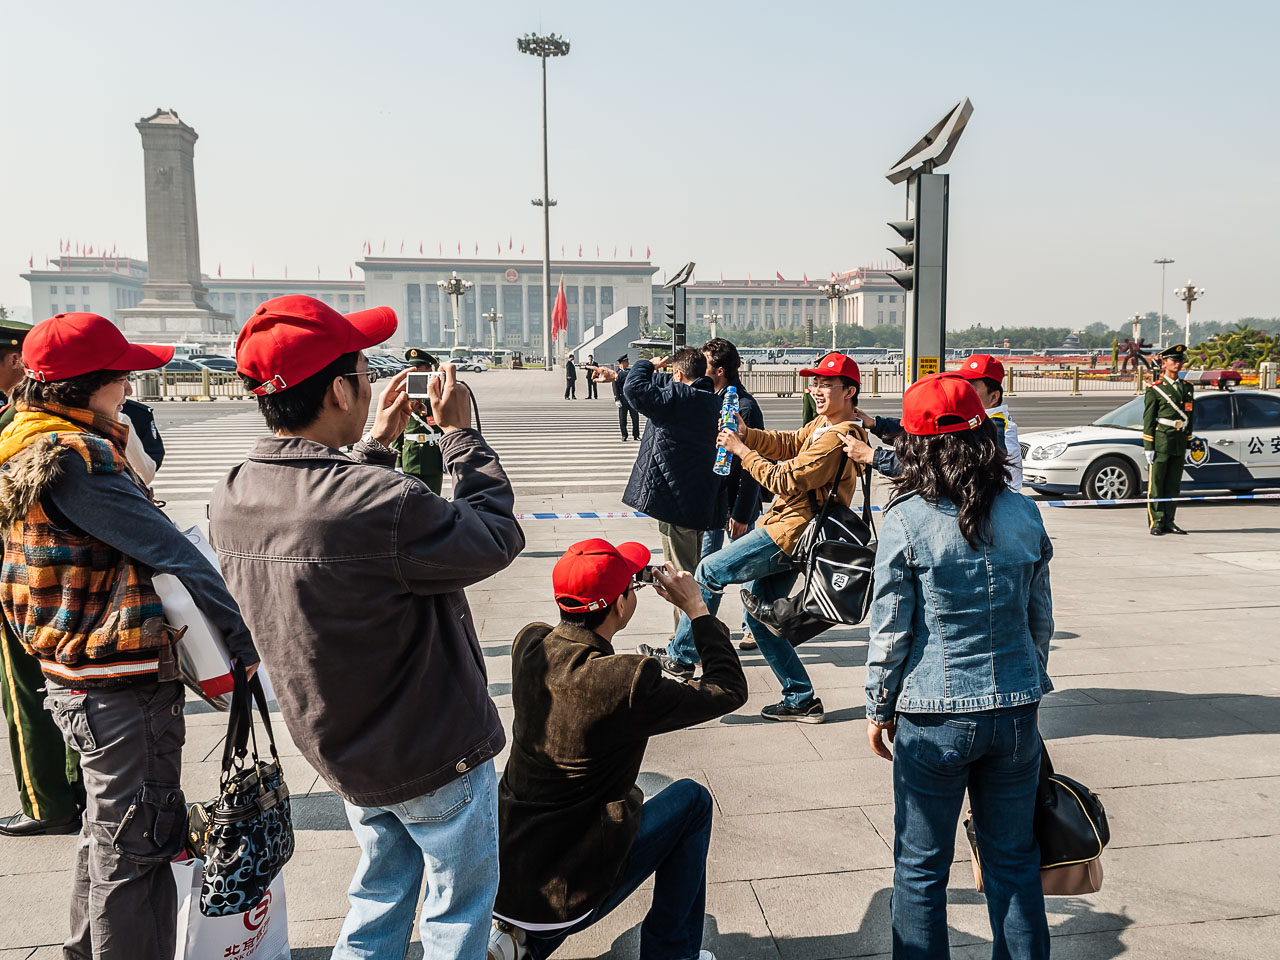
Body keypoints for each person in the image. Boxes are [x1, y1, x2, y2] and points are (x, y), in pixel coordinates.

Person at [210, 295, 524, 959]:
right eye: (363, 369)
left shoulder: (234, 492)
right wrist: (461, 436)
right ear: (338, 390)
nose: (372, 381)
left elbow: (341, 530)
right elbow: (494, 536)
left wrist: (374, 446)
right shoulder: (385, 503)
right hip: (435, 751)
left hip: (344, 750)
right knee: (457, 914)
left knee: (379, 895)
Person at [0, 312, 259, 959]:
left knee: (105, 833)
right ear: (91, 384)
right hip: (117, 683)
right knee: (139, 849)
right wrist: (239, 642)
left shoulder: (20, 437)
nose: (130, 384)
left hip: (70, 674)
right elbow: (170, 549)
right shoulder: (76, 455)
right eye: (122, 375)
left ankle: (84, 952)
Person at [858, 372, 1053, 960]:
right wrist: (1025, 681)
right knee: (1014, 861)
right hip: (1017, 713)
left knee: (920, 869)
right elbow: (1039, 621)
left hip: (935, 714)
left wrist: (878, 706)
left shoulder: (907, 519)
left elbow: (890, 629)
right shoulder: (1024, 514)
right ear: (984, 438)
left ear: (914, 446)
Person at [489, 539, 746, 960]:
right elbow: (728, 689)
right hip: (570, 888)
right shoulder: (624, 681)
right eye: (631, 585)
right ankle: (672, 956)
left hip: (509, 876)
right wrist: (697, 610)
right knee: (693, 802)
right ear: (621, 606)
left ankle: (520, 944)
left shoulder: (530, 646)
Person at [645, 352, 868, 724]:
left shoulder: (839, 436)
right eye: (814, 383)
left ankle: (682, 657)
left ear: (849, 390)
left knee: (710, 570)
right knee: (763, 618)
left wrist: (742, 451)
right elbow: (785, 442)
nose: (816, 390)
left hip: (790, 531)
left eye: (826, 384)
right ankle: (801, 698)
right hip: (791, 527)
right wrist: (748, 434)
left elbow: (788, 479)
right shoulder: (821, 426)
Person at [0, 316, 86, 839]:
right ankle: (73, 791)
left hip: (22, 582)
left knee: (27, 691)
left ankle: (46, 800)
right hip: (60, 588)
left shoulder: (21, 426)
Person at [610, 349, 727, 632]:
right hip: (698, 502)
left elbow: (634, 388)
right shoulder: (708, 400)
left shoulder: (679, 398)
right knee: (691, 573)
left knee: (682, 580)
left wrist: (646, 364)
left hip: (678, 504)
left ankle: (687, 648)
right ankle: (694, 641)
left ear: (678, 374)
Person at [845, 354, 1022, 489]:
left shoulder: (996, 428)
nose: (963, 390)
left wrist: (873, 456)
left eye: (971, 387)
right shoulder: (975, 422)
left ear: (994, 396)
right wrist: (875, 424)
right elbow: (926, 432)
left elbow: (939, 465)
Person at [699, 338, 765, 651]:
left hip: (736, 504)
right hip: (712, 503)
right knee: (707, 566)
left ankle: (751, 626)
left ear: (721, 370)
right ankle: (699, 629)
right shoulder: (709, 399)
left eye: (706, 364)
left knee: (746, 566)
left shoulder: (746, 409)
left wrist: (741, 513)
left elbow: (753, 467)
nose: (701, 370)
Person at [1144, 344, 1194, 535]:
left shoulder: (1187, 388)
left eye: (1180, 360)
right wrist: (1149, 445)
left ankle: (1169, 521)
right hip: (1162, 441)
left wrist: (1188, 442)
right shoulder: (1155, 389)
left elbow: (1190, 417)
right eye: (1174, 360)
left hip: (1179, 442)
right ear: (1164, 363)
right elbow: (1148, 419)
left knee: (1173, 485)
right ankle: (1156, 521)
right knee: (1156, 485)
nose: (1178, 364)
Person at [393, 347, 446, 495]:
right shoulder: (402, 396)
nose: (414, 372)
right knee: (411, 503)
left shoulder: (439, 395)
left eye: (418, 369)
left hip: (433, 456)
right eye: (411, 369)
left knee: (434, 500)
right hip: (410, 457)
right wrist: (397, 463)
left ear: (430, 370)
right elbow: (398, 431)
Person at [607, 355, 640, 440]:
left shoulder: (630, 371)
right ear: (622, 363)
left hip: (632, 398)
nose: (628, 363)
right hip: (622, 398)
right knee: (623, 419)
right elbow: (615, 387)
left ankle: (636, 435)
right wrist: (617, 399)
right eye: (626, 361)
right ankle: (624, 435)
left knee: (635, 418)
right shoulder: (617, 373)